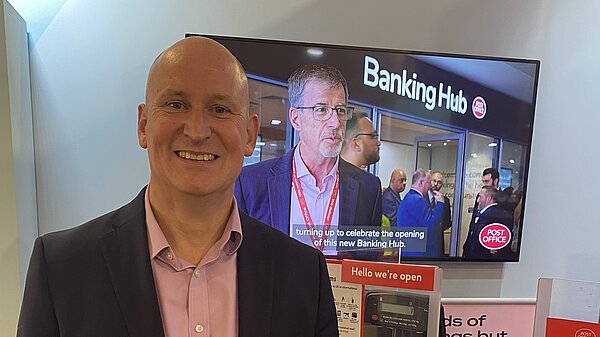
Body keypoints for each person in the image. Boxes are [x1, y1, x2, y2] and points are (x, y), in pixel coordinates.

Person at [17, 37, 338, 337]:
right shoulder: (61, 269)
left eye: (220, 109)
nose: (197, 131)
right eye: (175, 104)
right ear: (144, 125)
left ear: (250, 135)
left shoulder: (304, 277)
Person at [234, 63, 382, 256]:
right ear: (295, 119)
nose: (335, 123)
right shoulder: (251, 183)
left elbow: (366, 265)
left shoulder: (368, 188)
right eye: (321, 109)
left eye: (341, 110)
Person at [396, 169, 445, 257]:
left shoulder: (408, 198)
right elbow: (430, 225)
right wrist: (440, 204)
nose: (431, 185)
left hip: (408, 250)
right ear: (421, 183)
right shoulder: (418, 200)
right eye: (429, 182)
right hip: (417, 253)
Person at [463, 186, 514, 259]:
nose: (477, 200)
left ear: (488, 199)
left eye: (480, 197)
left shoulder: (488, 216)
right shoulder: (504, 214)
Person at [463, 167, 499, 255]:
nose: (484, 184)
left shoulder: (503, 199)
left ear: (495, 181)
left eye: (487, 181)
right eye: (483, 181)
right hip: (473, 245)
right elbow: (474, 220)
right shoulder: (480, 195)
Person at [429, 172, 452, 256]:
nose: (435, 184)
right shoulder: (422, 198)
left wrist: (438, 227)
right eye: (434, 181)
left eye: (439, 182)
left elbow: (448, 222)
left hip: (438, 239)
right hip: (423, 239)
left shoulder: (445, 201)